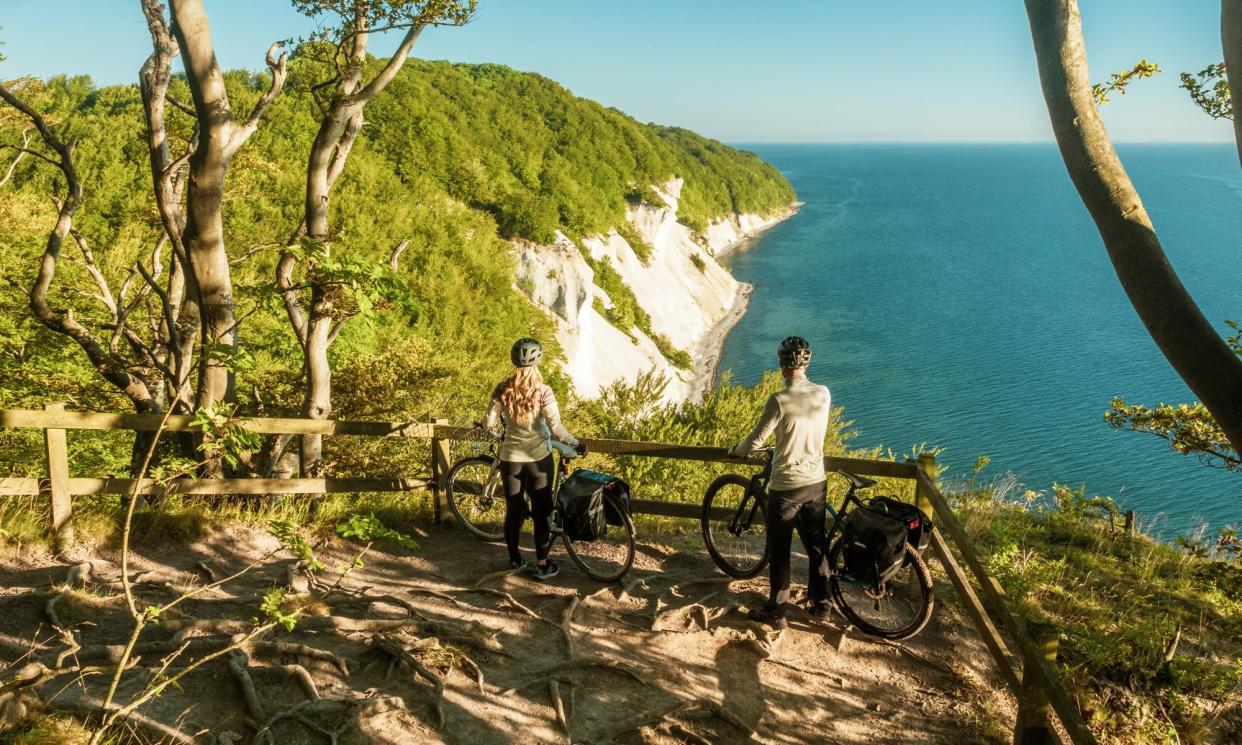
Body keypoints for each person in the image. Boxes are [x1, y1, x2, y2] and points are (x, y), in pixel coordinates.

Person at [728, 336, 832, 629]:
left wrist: (737, 452)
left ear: (781, 366)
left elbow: (756, 441)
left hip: (786, 485)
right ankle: (822, 604)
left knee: (780, 547)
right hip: (816, 482)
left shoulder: (779, 400)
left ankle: (777, 607)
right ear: (807, 362)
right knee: (816, 544)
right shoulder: (823, 394)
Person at [483, 338, 584, 581]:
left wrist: (501, 435)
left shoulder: (502, 389)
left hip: (510, 459)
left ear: (513, 360)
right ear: (538, 361)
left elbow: (488, 423)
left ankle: (515, 559)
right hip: (539, 460)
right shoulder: (544, 391)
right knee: (541, 513)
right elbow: (556, 428)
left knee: (513, 511)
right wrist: (576, 443)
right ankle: (542, 565)